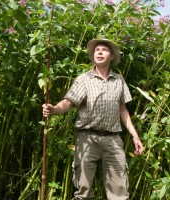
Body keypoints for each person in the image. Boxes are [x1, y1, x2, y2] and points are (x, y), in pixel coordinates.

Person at [42, 38, 144, 200]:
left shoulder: (119, 80)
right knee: (83, 192)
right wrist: (53, 109)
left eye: (104, 50)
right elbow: (67, 103)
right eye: (97, 50)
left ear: (112, 57)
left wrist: (135, 135)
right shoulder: (84, 79)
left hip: (113, 141)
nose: (100, 52)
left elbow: (122, 110)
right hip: (87, 139)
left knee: (119, 192)